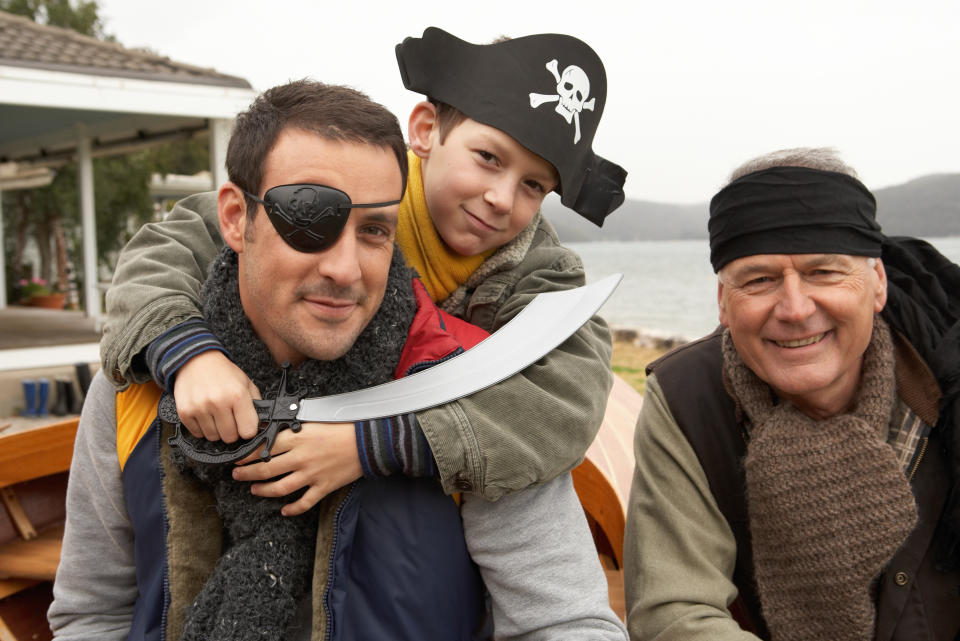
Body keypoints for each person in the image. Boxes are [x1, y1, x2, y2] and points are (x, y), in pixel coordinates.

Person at [48, 80, 626, 641]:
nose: (344, 270)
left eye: (375, 231)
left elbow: (564, 622)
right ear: (234, 220)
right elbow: (91, 615)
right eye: (309, 219)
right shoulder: (136, 388)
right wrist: (186, 354)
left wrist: (378, 441)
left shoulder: (475, 385)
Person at [98, 27, 627, 512]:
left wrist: (372, 442)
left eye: (534, 185)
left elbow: (569, 400)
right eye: (488, 157)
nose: (500, 197)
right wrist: (191, 356)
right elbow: (166, 249)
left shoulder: (545, 279)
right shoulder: (356, 185)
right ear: (424, 130)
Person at [623, 147, 960, 641]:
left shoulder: (945, 383)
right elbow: (675, 614)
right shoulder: (685, 397)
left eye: (823, 272)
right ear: (722, 302)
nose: (796, 309)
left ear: (877, 283)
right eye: (758, 280)